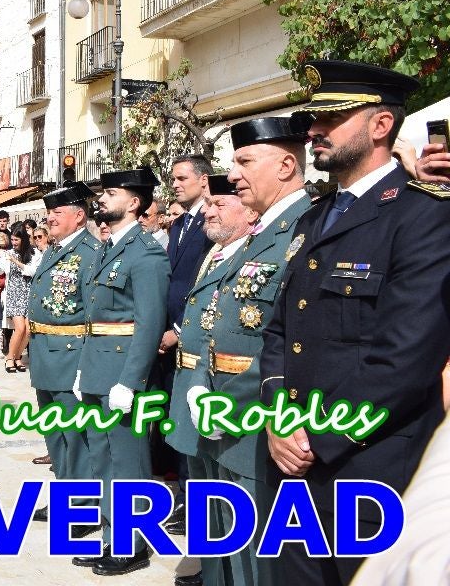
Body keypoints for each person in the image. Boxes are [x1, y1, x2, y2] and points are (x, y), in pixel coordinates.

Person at [260, 61, 450, 585]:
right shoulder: (316, 216)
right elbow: (280, 330)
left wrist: (317, 437)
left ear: (381, 125)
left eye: (332, 119)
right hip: (293, 465)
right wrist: (279, 419)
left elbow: (407, 357)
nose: (314, 132)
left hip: (369, 469)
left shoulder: (423, 215)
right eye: (314, 119)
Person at [190, 115, 311, 586]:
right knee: (230, 550)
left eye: (244, 161)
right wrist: (202, 386)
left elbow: (288, 340)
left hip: (259, 415)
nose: (232, 173)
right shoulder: (259, 234)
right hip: (226, 411)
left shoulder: (307, 227)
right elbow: (215, 319)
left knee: (259, 557)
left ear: (285, 166)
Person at [73, 168, 170, 577]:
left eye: (111, 193)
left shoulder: (146, 253)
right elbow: (94, 317)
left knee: (128, 461)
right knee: (103, 458)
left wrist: (131, 381)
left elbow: (149, 324)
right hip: (97, 366)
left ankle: (132, 545)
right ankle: (113, 536)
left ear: (133, 203)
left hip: (122, 372)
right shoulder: (106, 248)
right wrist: (83, 370)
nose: (103, 199)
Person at [166, 175, 259, 586]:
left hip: (225, 388)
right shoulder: (216, 252)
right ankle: (210, 569)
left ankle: (218, 573)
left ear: (250, 211)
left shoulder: (249, 253)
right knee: (202, 487)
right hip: (192, 379)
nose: (208, 211)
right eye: (209, 204)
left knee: (229, 501)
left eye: (220, 203)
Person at [27, 182, 103, 524]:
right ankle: (64, 498)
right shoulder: (55, 249)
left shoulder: (91, 253)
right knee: (55, 435)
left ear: (78, 216)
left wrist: (85, 367)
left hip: (70, 354)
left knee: (76, 437)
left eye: (57, 213)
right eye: (49, 212)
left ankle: (83, 507)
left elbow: (92, 313)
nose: (50, 218)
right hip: (45, 353)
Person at [160, 153, 214, 532]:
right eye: (173, 179)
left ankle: (196, 503)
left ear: (203, 179)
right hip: (166, 340)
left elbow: (204, 282)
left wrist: (179, 330)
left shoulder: (213, 222)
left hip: (191, 336)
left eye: (181, 178)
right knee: (174, 422)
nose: (175, 184)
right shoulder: (180, 225)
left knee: (191, 424)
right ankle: (180, 496)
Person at [0, 227, 34, 374]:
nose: (13, 243)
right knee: (19, 328)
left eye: (16, 240)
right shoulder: (8, 253)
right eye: (12, 239)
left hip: (28, 294)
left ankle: (18, 357)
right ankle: (9, 358)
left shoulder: (33, 253)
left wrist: (15, 261)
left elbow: (32, 271)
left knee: (28, 330)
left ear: (23, 240)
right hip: (14, 294)